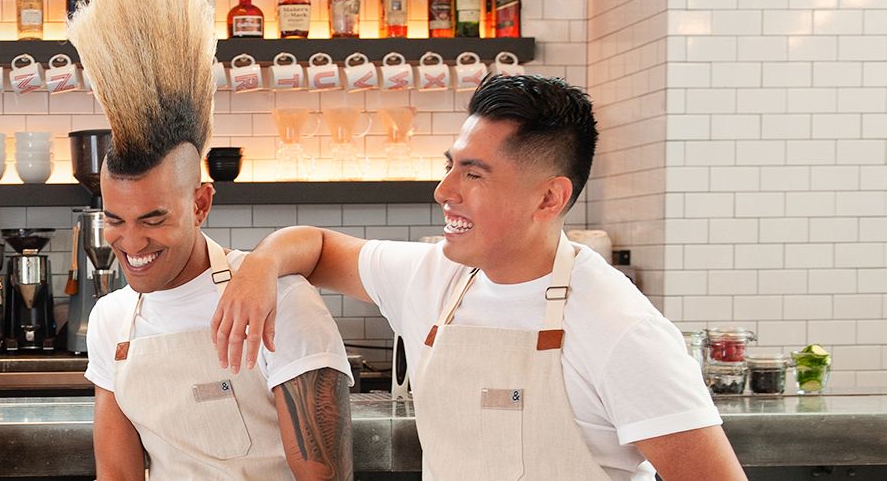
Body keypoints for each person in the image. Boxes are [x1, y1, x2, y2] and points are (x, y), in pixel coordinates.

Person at [211, 74, 748, 480]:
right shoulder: (432, 277)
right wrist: (261, 264)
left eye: (473, 174)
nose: (444, 191)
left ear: (549, 197)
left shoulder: (621, 327)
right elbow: (318, 245)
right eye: (450, 166)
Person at [67, 0, 354, 479]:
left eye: (154, 219)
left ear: (200, 204)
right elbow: (116, 475)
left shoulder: (282, 302)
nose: (131, 243)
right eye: (115, 220)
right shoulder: (112, 320)